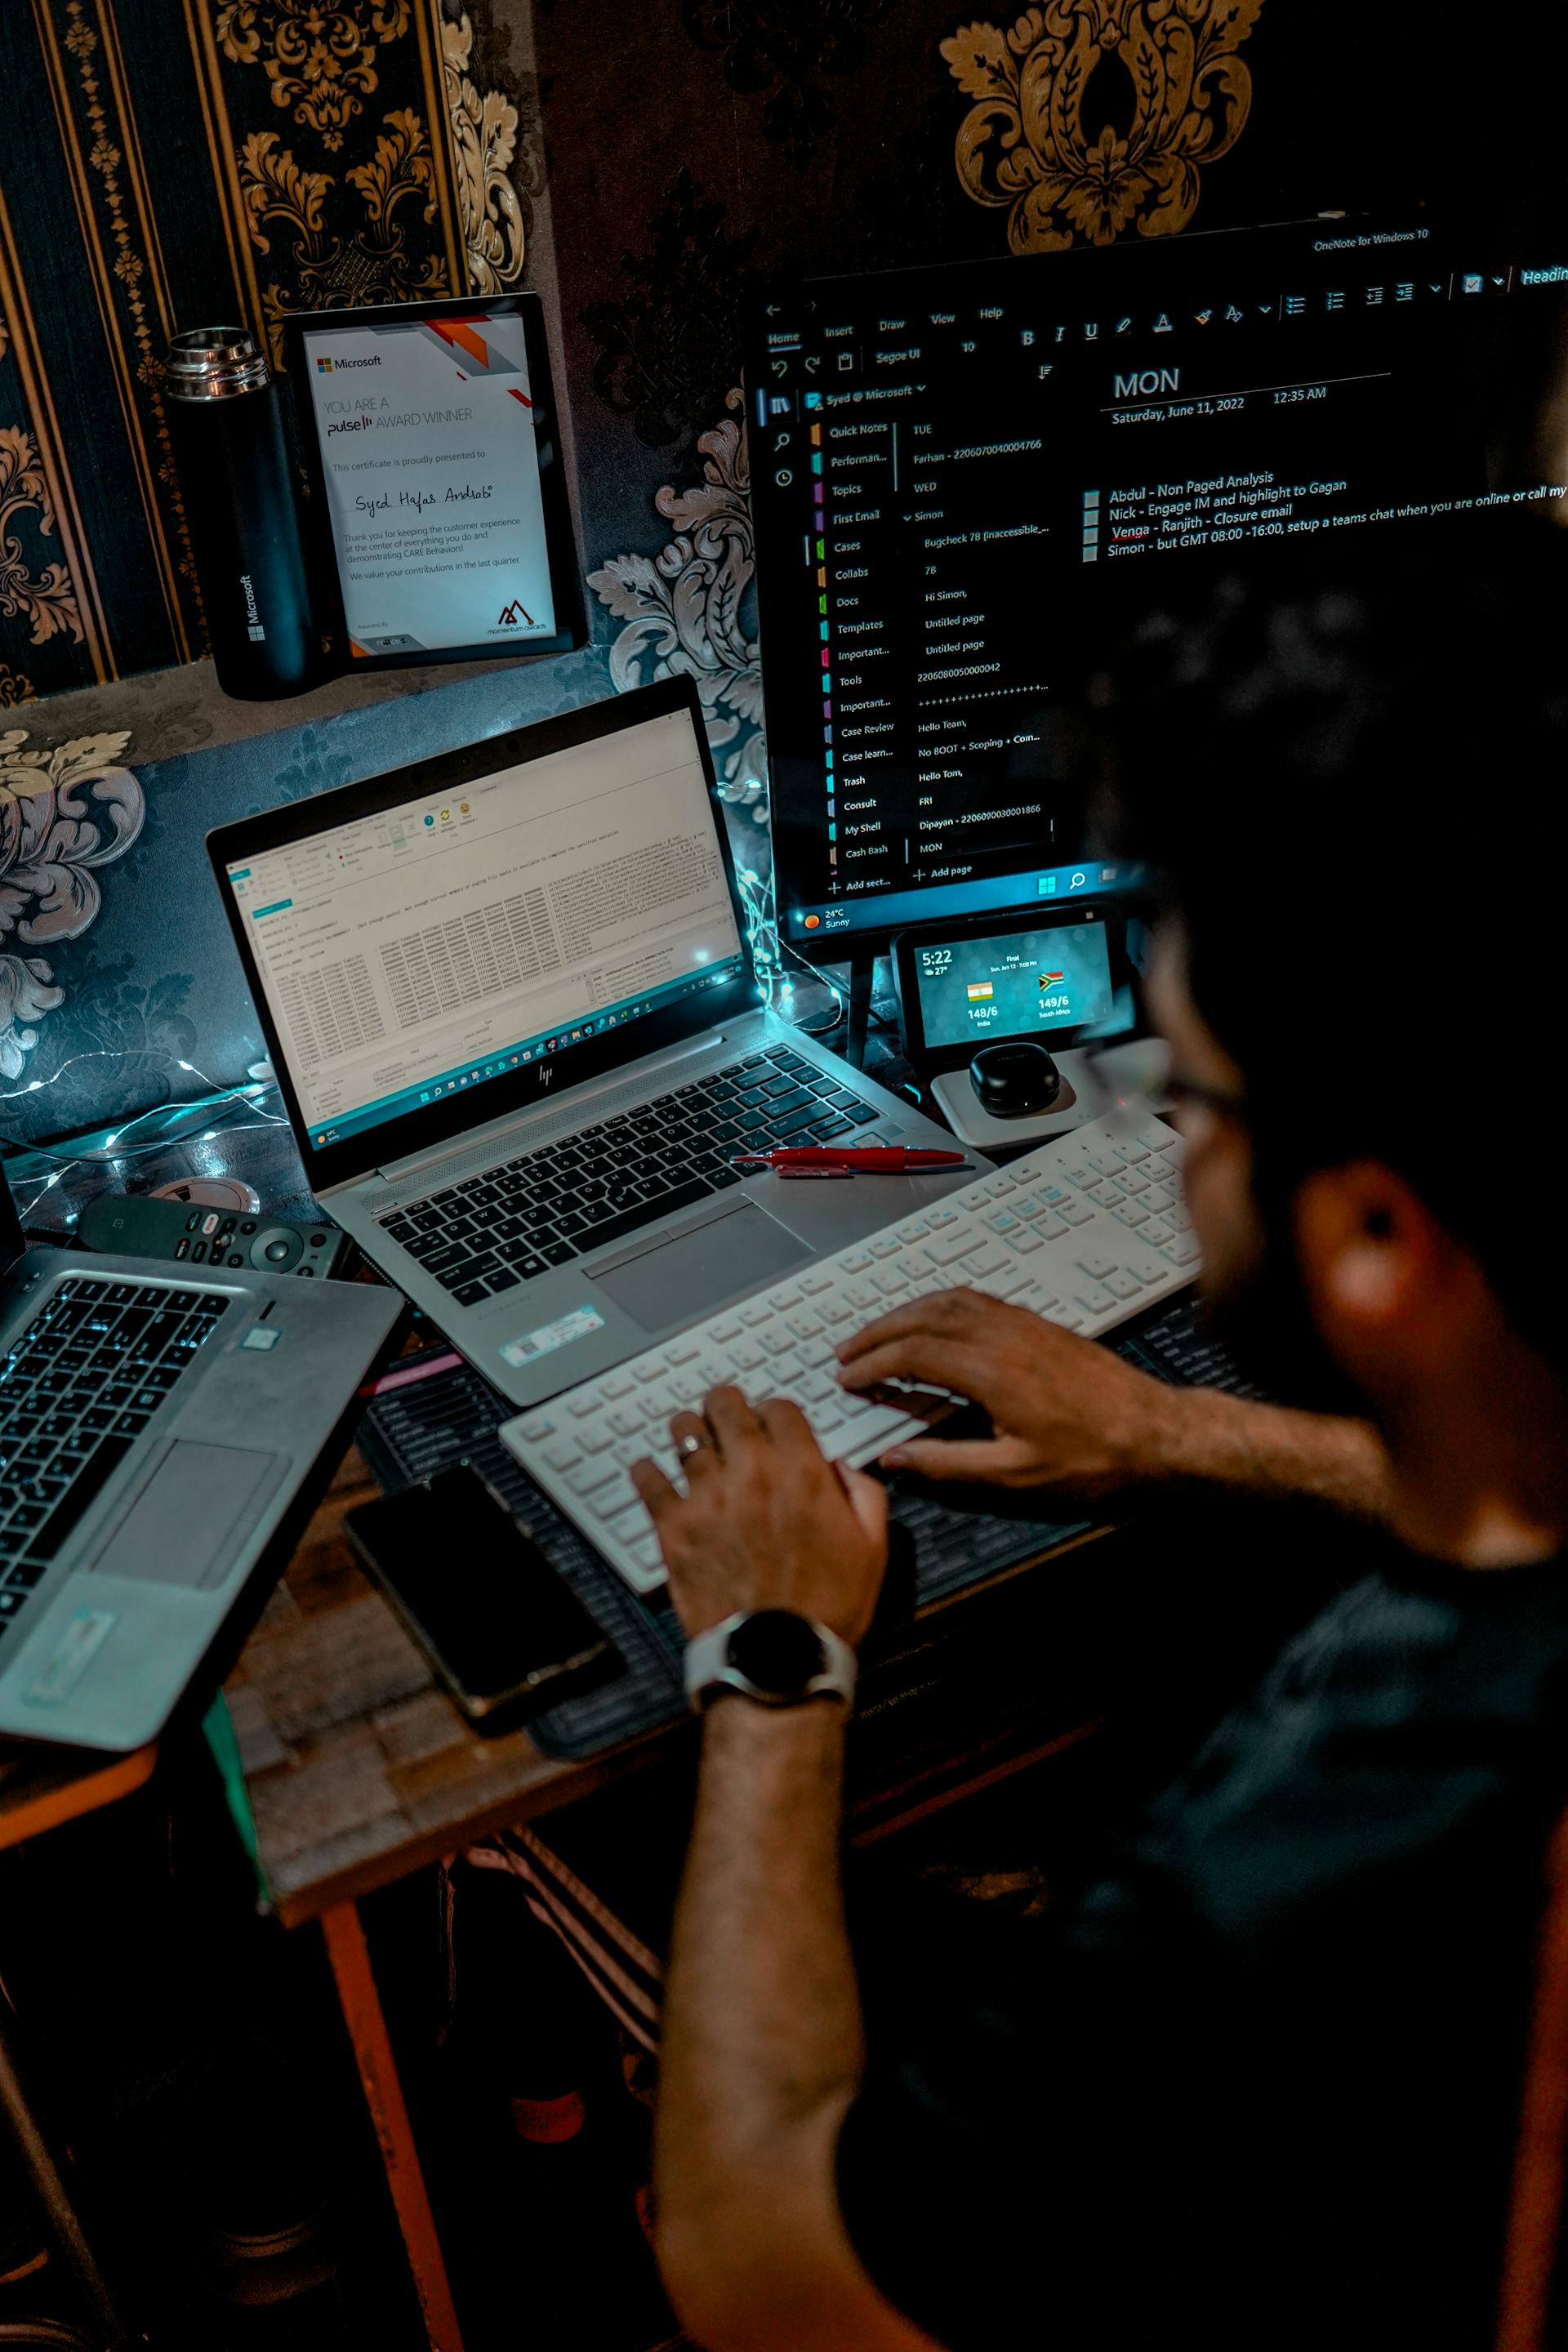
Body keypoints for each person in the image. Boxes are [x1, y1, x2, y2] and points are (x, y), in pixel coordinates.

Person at [631, 525, 1568, 2350]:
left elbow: (760, 2274)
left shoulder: (1325, 1862)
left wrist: (772, 1657)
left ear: (1378, 1240)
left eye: (1190, 1090)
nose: (1165, 1131)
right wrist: (1183, 1436)